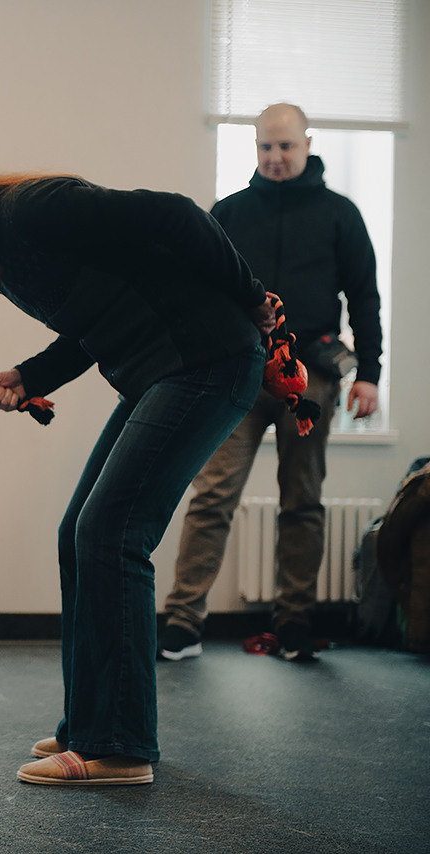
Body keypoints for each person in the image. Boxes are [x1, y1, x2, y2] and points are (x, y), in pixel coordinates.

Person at [0, 137, 276, 786]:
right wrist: (31, 374)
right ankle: (88, 726)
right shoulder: (4, 249)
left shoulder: (29, 209)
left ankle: (118, 747)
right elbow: (95, 320)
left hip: (208, 359)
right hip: (163, 371)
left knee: (112, 535)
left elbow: (177, 215)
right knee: (78, 535)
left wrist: (251, 296)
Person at [160, 103, 383, 664]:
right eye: (265, 147)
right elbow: (198, 291)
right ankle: (183, 623)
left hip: (310, 378)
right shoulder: (229, 213)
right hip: (238, 374)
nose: (275, 158)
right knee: (212, 495)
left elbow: (365, 298)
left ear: (306, 143)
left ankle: (294, 624)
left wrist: (371, 375)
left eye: (285, 146)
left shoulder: (341, 214)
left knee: (302, 502)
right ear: (255, 147)